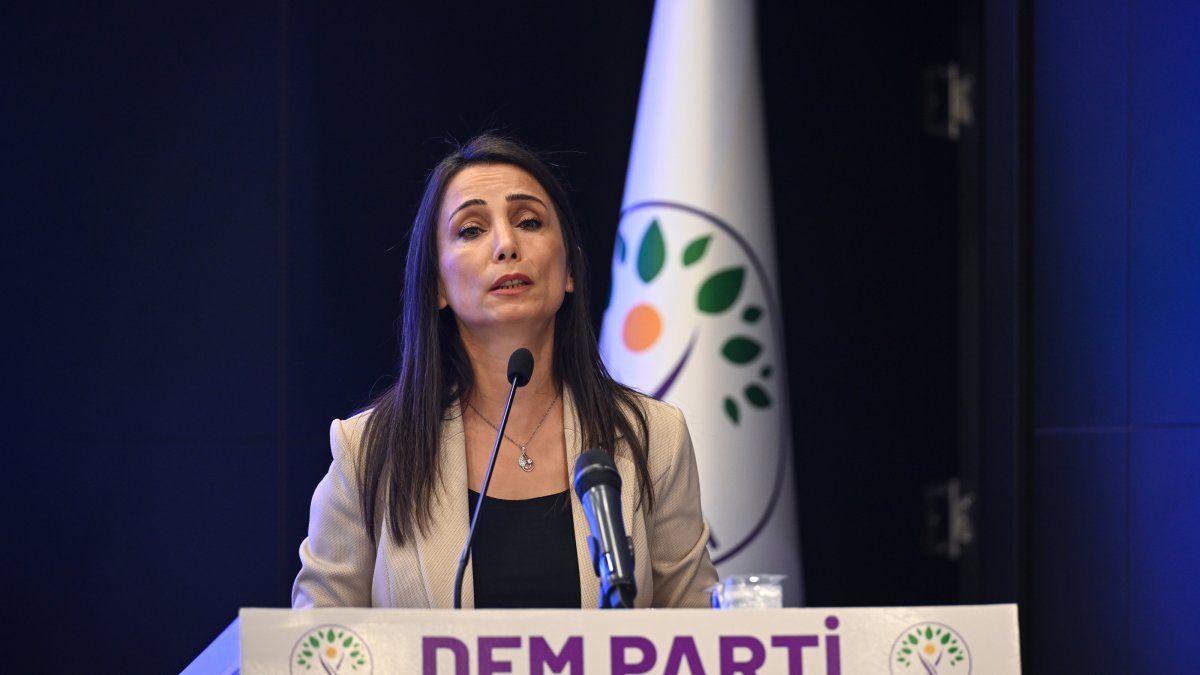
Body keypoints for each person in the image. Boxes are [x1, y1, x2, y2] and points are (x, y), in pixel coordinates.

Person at [292, 134, 717, 609]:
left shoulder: (652, 436)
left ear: (570, 268)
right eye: (471, 229)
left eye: (529, 221)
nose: (507, 244)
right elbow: (316, 646)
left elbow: (700, 637)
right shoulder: (371, 451)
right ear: (437, 286)